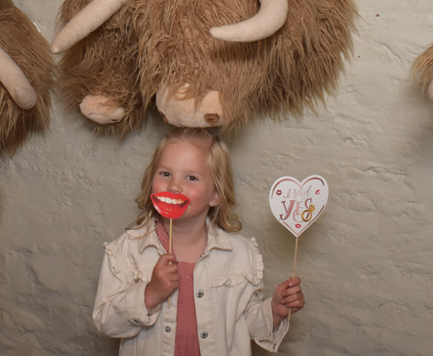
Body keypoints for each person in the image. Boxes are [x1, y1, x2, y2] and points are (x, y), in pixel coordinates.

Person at [93, 128, 304, 355]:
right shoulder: (128, 250)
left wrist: (275, 310)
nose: (174, 186)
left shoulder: (240, 254)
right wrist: (150, 294)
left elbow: (244, 325)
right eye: (165, 174)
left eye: (191, 177)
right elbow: (105, 322)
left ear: (215, 195)